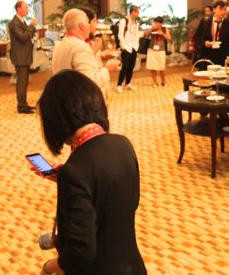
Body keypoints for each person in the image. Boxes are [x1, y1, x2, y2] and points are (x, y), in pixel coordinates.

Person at [36, 70, 147, 275]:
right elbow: (123, 201)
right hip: (133, 267)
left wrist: (48, 267)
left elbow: (79, 251)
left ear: (57, 118)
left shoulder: (76, 169)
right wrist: (66, 179)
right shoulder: (123, 144)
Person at [52, 9, 118, 96]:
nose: (89, 26)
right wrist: (107, 70)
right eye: (87, 23)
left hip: (64, 95)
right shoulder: (80, 47)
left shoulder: (60, 44)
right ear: (82, 26)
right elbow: (89, 82)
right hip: (78, 98)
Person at [9, 0, 36, 114]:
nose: (27, 10)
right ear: (19, 9)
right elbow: (23, 37)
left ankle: (24, 104)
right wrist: (31, 26)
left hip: (24, 56)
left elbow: (28, 35)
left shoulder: (21, 21)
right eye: (25, 7)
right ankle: (21, 106)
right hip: (20, 57)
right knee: (21, 82)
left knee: (24, 82)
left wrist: (32, 28)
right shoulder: (15, 22)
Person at [199, 0, 229, 66]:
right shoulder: (205, 22)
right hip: (208, 56)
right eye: (221, 9)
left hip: (223, 58)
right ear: (214, 9)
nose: (223, 12)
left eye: (225, 9)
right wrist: (205, 43)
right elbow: (197, 38)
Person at [116, 5, 141, 93]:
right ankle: (119, 85)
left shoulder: (136, 22)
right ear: (133, 12)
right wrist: (124, 46)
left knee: (131, 66)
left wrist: (137, 44)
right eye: (137, 12)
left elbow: (136, 34)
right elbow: (120, 34)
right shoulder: (124, 20)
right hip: (126, 47)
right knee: (125, 66)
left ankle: (128, 83)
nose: (138, 14)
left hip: (134, 47)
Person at [145, 16, 171, 86]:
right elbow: (145, 35)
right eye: (155, 22)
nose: (156, 24)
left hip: (161, 50)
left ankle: (163, 82)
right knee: (152, 67)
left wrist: (163, 34)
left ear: (161, 23)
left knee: (162, 67)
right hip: (151, 49)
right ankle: (155, 82)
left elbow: (169, 38)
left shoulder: (165, 29)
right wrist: (151, 29)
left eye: (158, 22)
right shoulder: (152, 28)